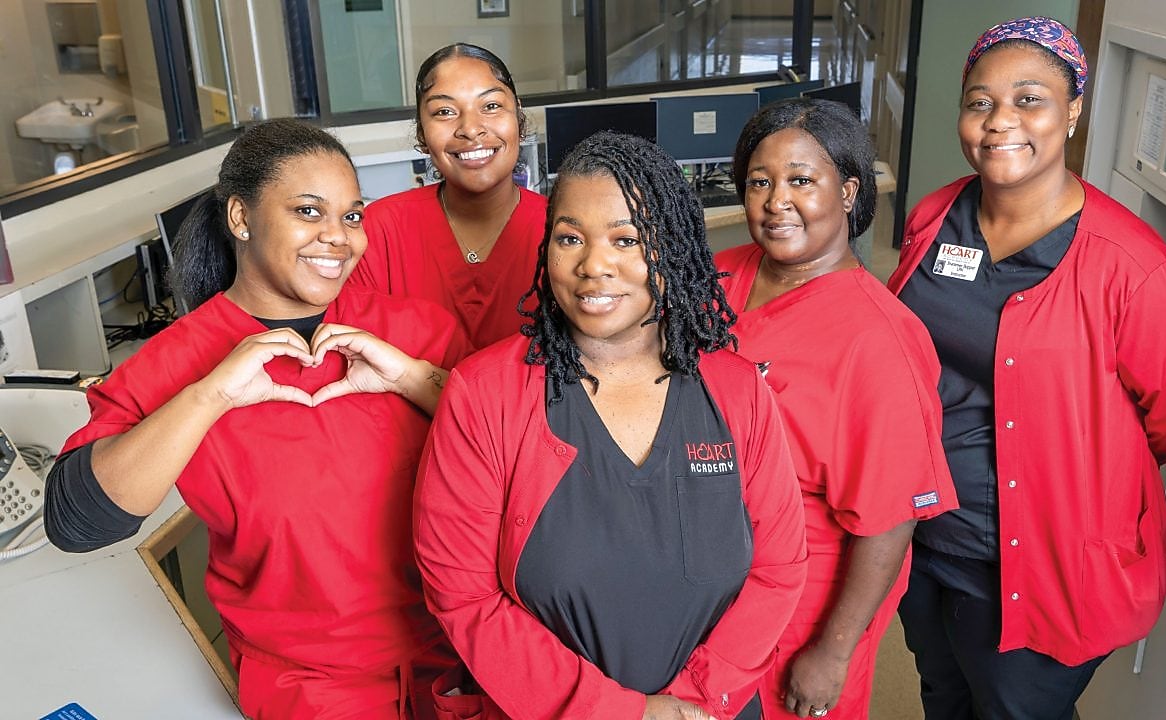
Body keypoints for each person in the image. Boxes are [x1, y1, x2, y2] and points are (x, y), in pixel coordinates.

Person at [44, 118, 470, 719]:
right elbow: (78, 522)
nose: (339, 238)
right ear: (241, 219)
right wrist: (209, 396)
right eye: (308, 212)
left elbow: (521, 461)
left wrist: (411, 379)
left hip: (462, 656)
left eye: (352, 216)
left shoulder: (415, 333)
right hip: (313, 688)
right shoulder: (181, 363)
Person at [888, 17, 1166, 719]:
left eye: (1029, 99)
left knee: (1017, 709)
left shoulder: (1136, 270)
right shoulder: (936, 216)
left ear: (1073, 110)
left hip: (1039, 561)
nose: (998, 121)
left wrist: (1079, 442)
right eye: (979, 101)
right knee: (943, 692)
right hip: (920, 535)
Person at [414, 131, 808, 720]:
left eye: (627, 239)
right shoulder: (486, 394)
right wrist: (619, 712)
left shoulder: (736, 390)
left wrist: (695, 701)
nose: (594, 265)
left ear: (671, 251)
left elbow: (779, 570)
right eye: (570, 237)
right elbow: (463, 595)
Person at [715, 98, 956, 720]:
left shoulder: (878, 341)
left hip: (803, 602)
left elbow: (890, 519)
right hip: (708, 586)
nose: (775, 202)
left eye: (801, 180)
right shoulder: (717, 278)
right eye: (759, 182)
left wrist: (833, 651)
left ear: (849, 191)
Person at [351, 43, 546, 350]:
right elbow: (353, 356)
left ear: (518, 119)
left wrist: (416, 379)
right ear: (421, 135)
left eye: (491, 106)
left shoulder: (563, 231)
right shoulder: (378, 232)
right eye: (444, 111)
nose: (470, 129)